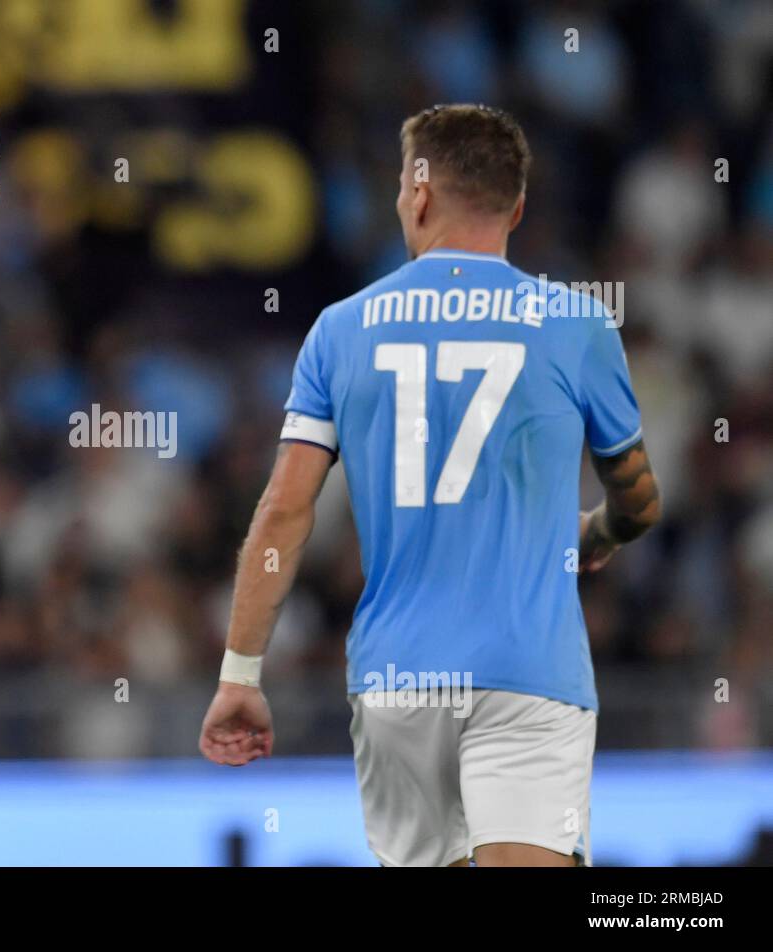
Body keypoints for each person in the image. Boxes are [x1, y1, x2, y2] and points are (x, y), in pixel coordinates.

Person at [199, 104, 661, 867]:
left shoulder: (341, 329)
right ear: (516, 206)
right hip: (529, 673)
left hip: (396, 679)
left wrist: (240, 675)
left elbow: (284, 512)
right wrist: (599, 533)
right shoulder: (577, 324)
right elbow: (640, 500)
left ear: (418, 196)